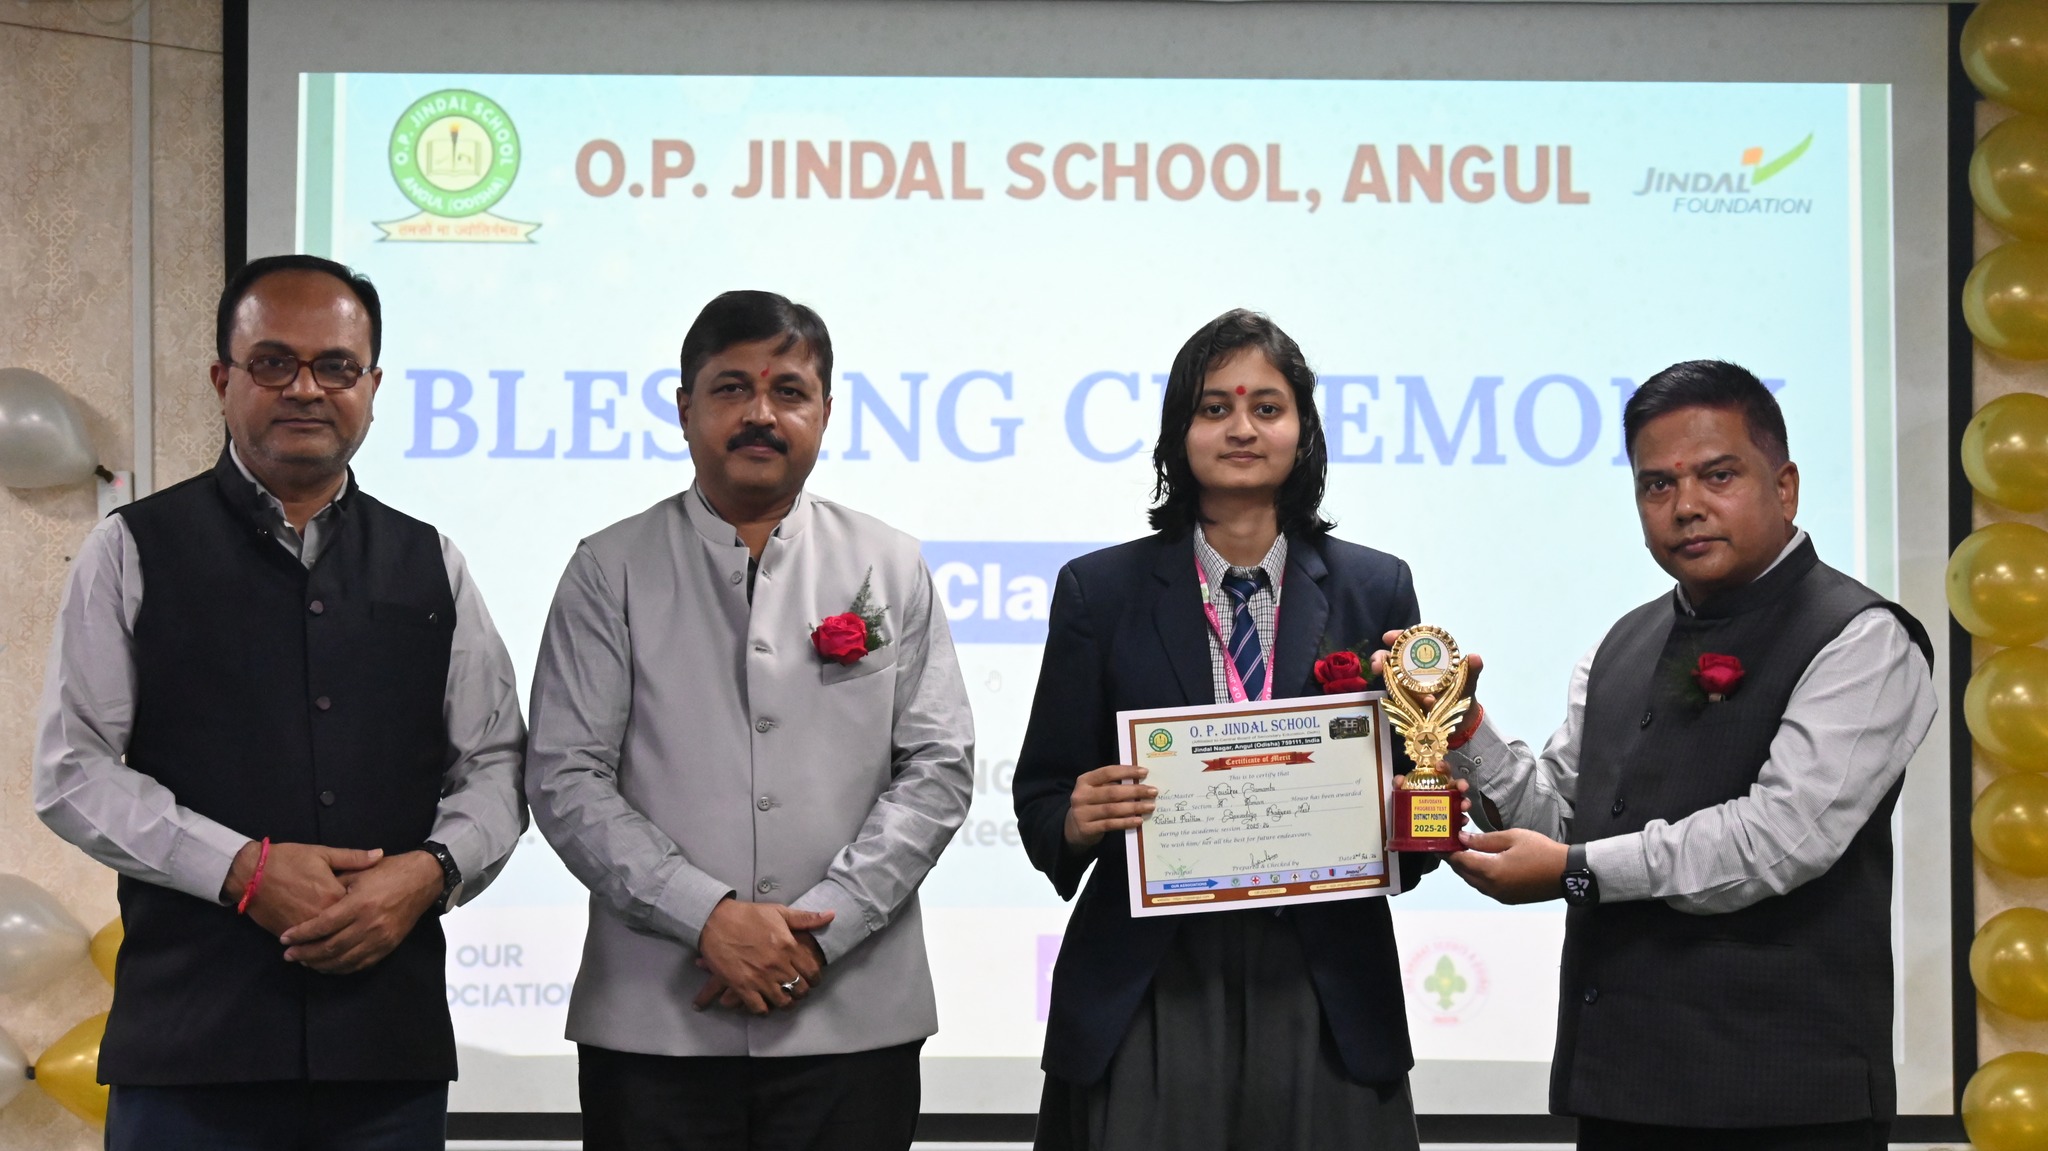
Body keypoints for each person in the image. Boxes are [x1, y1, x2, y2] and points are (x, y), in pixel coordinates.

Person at [33, 254, 528, 1150]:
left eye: (336, 366)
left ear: (373, 387)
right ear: (222, 380)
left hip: (384, 1057)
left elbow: (495, 762)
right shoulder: (132, 549)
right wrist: (241, 870)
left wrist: (429, 871)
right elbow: (73, 772)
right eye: (273, 363)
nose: (306, 388)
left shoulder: (432, 561)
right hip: (190, 1054)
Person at [1423, 360, 1935, 1151]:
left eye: (1717, 475)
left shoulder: (1862, 637)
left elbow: (1777, 840)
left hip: (1785, 1106)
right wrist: (1461, 730)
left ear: (1786, 487)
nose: (1686, 505)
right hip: (1623, 1090)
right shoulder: (1621, 642)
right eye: (1657, 484)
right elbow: (1565, 819)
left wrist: (1574, 870)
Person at [525, 290, 974, 1151]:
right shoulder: (608, 567)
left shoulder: (889, 562)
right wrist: (706, 916)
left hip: (853, 1019)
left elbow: (938, 767)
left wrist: (822, 930)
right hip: (656, 1022)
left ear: (826, 412)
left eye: (789, 392)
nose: (761, 414)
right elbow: (565, 774)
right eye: (732, 388)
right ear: (683, 407)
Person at [1014, 309, 1433, 1151]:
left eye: (1267, 407)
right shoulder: (1101, 590)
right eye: (1215, 408)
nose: (1242, 428)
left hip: (1320, 978)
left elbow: (1411, 801)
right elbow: (1042, 795)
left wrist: (1417, 808)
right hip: (1152, 981)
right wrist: (1076, 816)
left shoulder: (1375, 587)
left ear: (1303, 431)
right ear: (1179, 431)